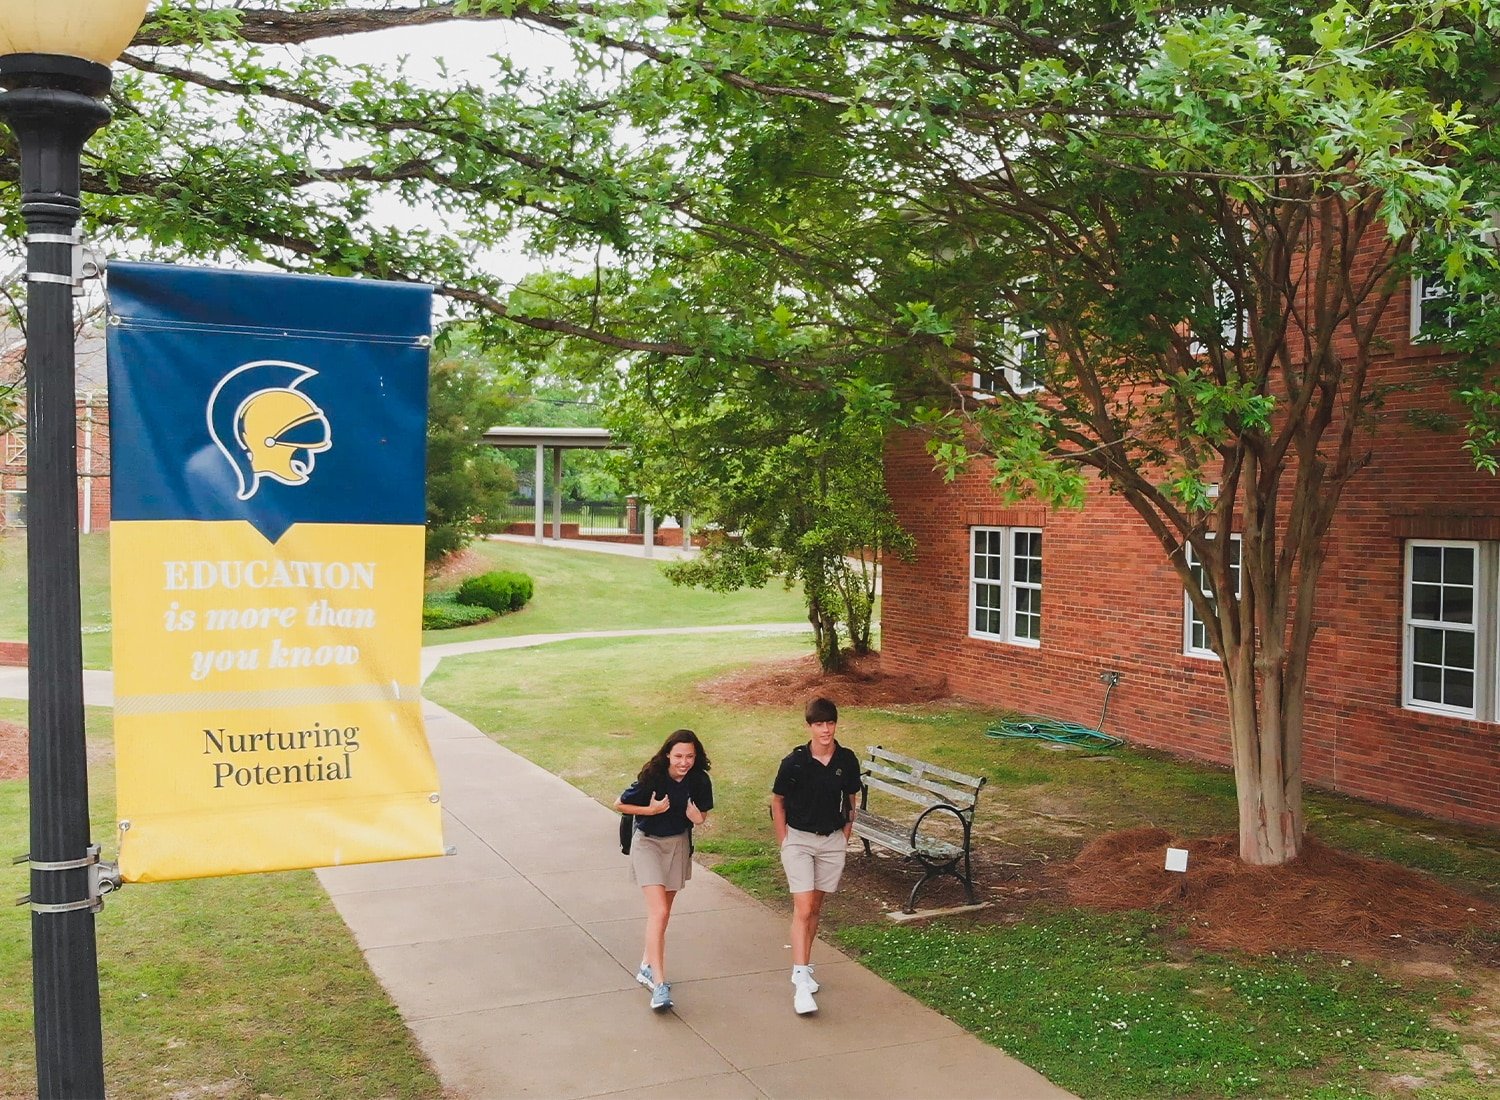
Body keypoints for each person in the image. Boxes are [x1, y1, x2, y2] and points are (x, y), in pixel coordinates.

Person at [770, 696, 862, 1015]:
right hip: (798, 841)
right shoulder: (794, 762)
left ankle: (805, 967)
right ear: (809, 726)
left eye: (830, 723)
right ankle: (800, 980)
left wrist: (846, 835)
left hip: (832, 841)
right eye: (819, 724)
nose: (825, 729)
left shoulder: (846, 760)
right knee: (804, 906)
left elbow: (851, 798)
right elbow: (777, 800)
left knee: (816, 908)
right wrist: (784, 840)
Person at [614, 728, 713, 1011]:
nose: (684, 762)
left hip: (677, 844)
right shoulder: (654, 777)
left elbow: (702, 813)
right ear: (668, 753)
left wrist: (699, 818)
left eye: (690, 756)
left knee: (664, 912)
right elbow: (621, 803)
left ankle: (647, 964)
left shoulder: (699, 780)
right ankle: (659, 984)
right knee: (658, 911)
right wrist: (652, 811)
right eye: (679, 755)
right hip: (647, 845)